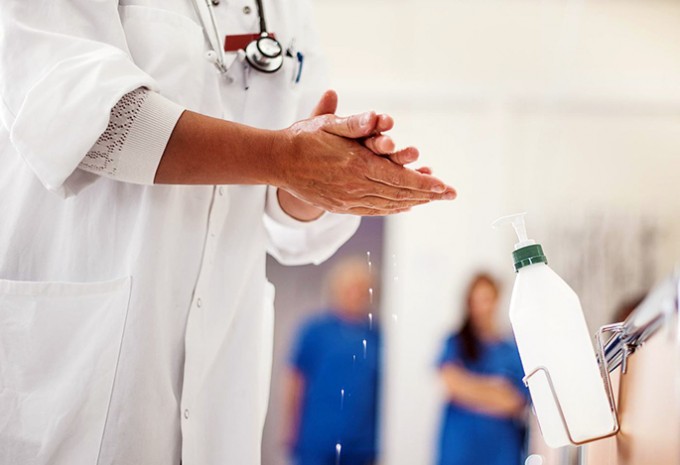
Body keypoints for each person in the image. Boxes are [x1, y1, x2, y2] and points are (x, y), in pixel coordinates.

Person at [0, 2, 456, 465]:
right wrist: (285, 159)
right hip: (76, 358)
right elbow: (79, 117)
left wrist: (327, 178)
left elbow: (288, 219)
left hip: (223, 378)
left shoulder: (286, 12)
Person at [284, 257, 380, 465]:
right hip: (317, 438)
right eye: (349, 289)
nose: (355, 295)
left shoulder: (376, 335)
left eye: (361, 289)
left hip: (362, 443)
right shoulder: (315, 330)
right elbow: (296, 382)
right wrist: (290, 431)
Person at [436, 273, 528, 465]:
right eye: (475, 301)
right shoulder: (455, 342)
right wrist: (496, 388)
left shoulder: (511, 350)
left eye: (486, 299)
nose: (481, 308)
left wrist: (469, 387)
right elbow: (453, 385)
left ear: (497, 300)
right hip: (460, 447)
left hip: (501, 449)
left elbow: (514, 402)